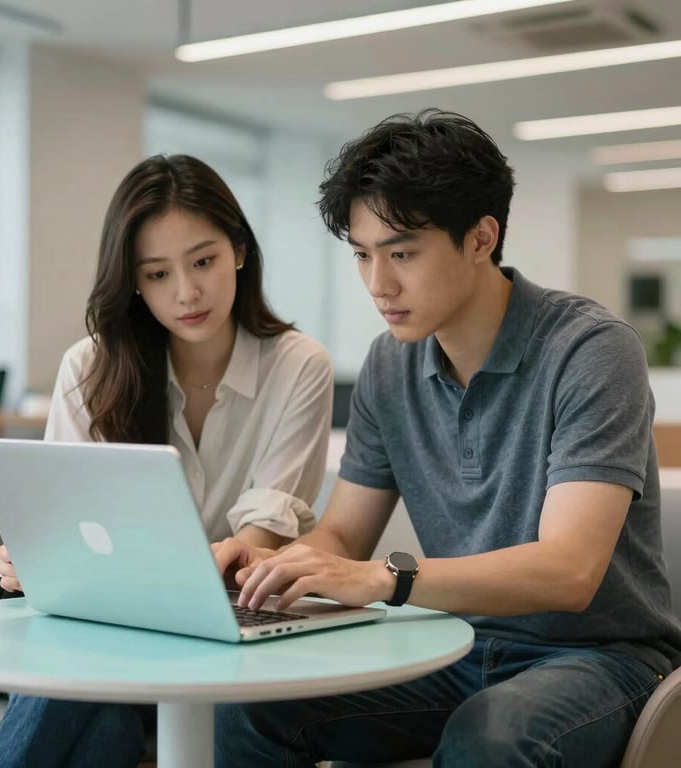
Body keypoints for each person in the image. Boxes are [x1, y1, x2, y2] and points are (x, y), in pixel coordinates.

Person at [213, 109, 681, 768]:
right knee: (256, 706)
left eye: (402, 253)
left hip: (600, 659)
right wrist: (279, 565)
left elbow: (569, 571)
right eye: (363, 255)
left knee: (489, 736)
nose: (378, 285)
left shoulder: (591, 351)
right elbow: (345, 537)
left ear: (482, 238)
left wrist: (382, 580)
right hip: (455, 646)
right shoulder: (389, 363)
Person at [0, 153, 333, 768]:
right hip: (101, 640)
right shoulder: (90, 368)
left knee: (88, 703)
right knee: (102, 718)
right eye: (157, 274)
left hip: (228, 648)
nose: (187, 292)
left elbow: (259, 543)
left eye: (203, 261)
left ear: (240, 251)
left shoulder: (298, 366)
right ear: (133, 283)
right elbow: (66, 528)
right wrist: (36, 559)